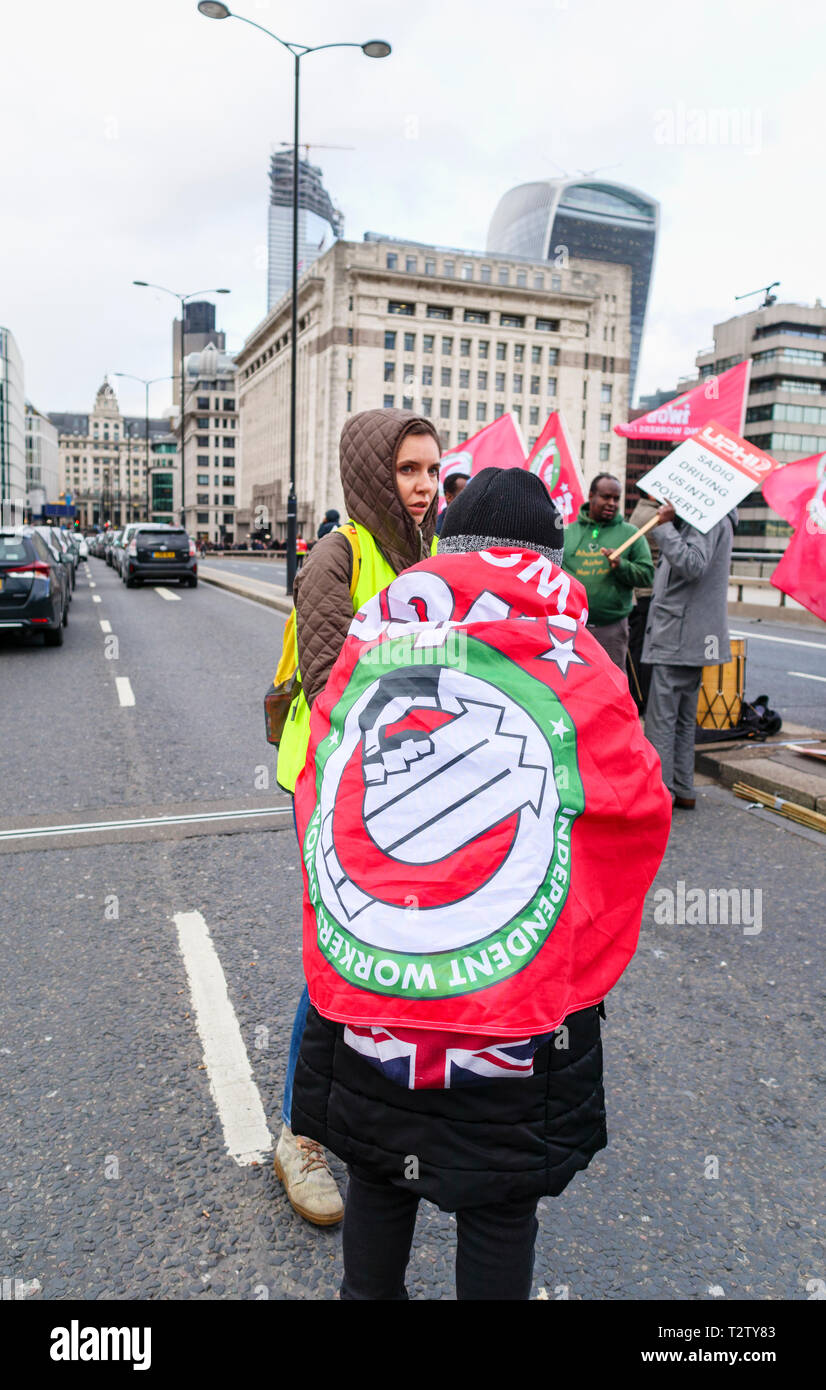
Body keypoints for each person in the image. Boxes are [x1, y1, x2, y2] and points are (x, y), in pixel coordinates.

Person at [291, 468, 671, 1300]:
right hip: (515, 1017)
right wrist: (576, 947)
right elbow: (639, 811)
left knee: (381, 1178)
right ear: (547, 552)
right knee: (499, 1206)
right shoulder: (586, 663)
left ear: (450, 540)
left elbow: (322, 785)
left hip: (378, 999)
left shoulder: (377, 635)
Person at [273, 408, 441, 1225]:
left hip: (401, 777)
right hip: (327, 778)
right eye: (408, 469)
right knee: (339, 947)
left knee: (391, 941)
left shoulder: (434, 553)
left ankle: (380, 1111)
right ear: (375, 472)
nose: (421, 485)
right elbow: (335, 670)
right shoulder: (340, 554)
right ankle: (299, 1135)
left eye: (431, 471)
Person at [642, 502, 737, 809]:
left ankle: (661, 791)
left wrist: (665, 527)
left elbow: (693, 564)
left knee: (662, 719)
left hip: (679, 632)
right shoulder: (719, 517)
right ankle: (682, 787)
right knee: (682, 718)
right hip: (689, 632)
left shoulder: (708, 516)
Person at [562, 473, 653, 671]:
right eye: (606, 497)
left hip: (611, 629)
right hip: (571, 627)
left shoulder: (631, 534)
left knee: (610, 684)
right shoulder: (568, 533)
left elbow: (647, 575)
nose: (612, 503)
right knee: (571, 681)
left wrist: (622, 565)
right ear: (591, 495)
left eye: (616, 498)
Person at [626, 491, 661, 714]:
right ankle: (641, 699)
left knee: (638, 647)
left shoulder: (641, 511)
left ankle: (638, 696)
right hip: (648, 593)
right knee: (643, 651)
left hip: (641, 593)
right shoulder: (652, 515)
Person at [434, 471, 469, 537]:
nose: (473, 497)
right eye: (467, 494)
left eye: (473, 492)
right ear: (449, 497)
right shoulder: (434, 531)